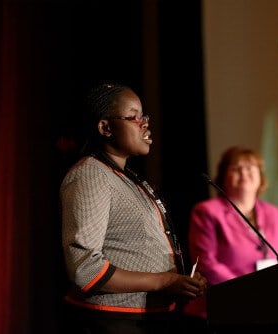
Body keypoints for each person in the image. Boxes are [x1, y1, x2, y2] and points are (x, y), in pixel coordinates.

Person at [59, 82, 207, 334]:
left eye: (144, 116)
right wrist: (164, 281)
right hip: (112, 321)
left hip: (151, 319)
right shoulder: (91, 175)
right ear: (105, 127)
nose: (145, 124)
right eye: (134, 117)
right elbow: (86, 270)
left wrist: (182, 280)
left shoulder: (126, 178)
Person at [183, 146, 278, 334]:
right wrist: (248, 293)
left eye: (250, 167)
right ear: (223, 177)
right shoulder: (207, 212)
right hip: (220, 312)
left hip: (268, 313)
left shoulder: (276, 214)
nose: (244, 172)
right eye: (235, 168)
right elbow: (207, 264)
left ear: (261, 177)